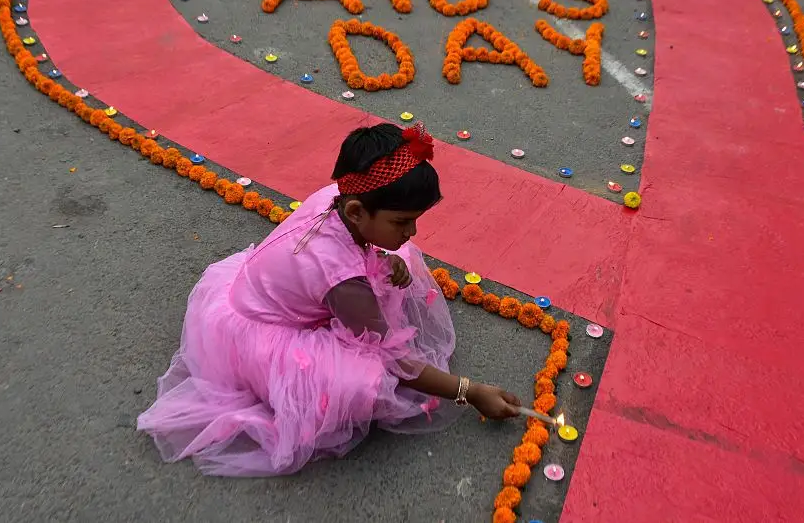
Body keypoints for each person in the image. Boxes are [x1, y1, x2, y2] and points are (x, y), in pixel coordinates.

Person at [137, 122, 522, 477]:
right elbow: (400, 361)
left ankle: (366, 278)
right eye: (402, 221)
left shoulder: (336, 195)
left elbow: (352, 255)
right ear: (355, 211)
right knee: (362, 383)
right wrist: (470, 391)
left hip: (276, 286)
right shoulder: (345, 281)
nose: (412, 230)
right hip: (264, 332)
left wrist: (383, 259)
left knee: (399, 258)